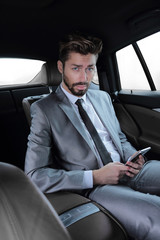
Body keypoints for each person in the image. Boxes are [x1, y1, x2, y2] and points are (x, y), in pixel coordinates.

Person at [25, 33, 160, 240]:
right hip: (96, 186)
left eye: (90, 69)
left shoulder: (103, 97)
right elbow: (35, 175)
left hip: (130, 169)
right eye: (76, 68)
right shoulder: (43, 110)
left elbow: (120, 139)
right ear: (61, 68)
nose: (84, 78)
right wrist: (95, 176)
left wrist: (135, 158)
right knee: (156, 217)